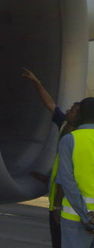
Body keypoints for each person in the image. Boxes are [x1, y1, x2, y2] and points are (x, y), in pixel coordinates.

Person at [22, 68, 80, 248]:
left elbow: (70, 172)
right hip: (58, 200)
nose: (69, 110)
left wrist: (56, 206)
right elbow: (50, 104)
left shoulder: (79, 137)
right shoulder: (64, 124)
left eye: (74, 110)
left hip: (68, 205)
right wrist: (37, 82)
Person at [56, 97, 94, 247]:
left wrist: (86, 217)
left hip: (74, 217)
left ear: (80, 115)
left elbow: (66, 180)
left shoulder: (70, 140)